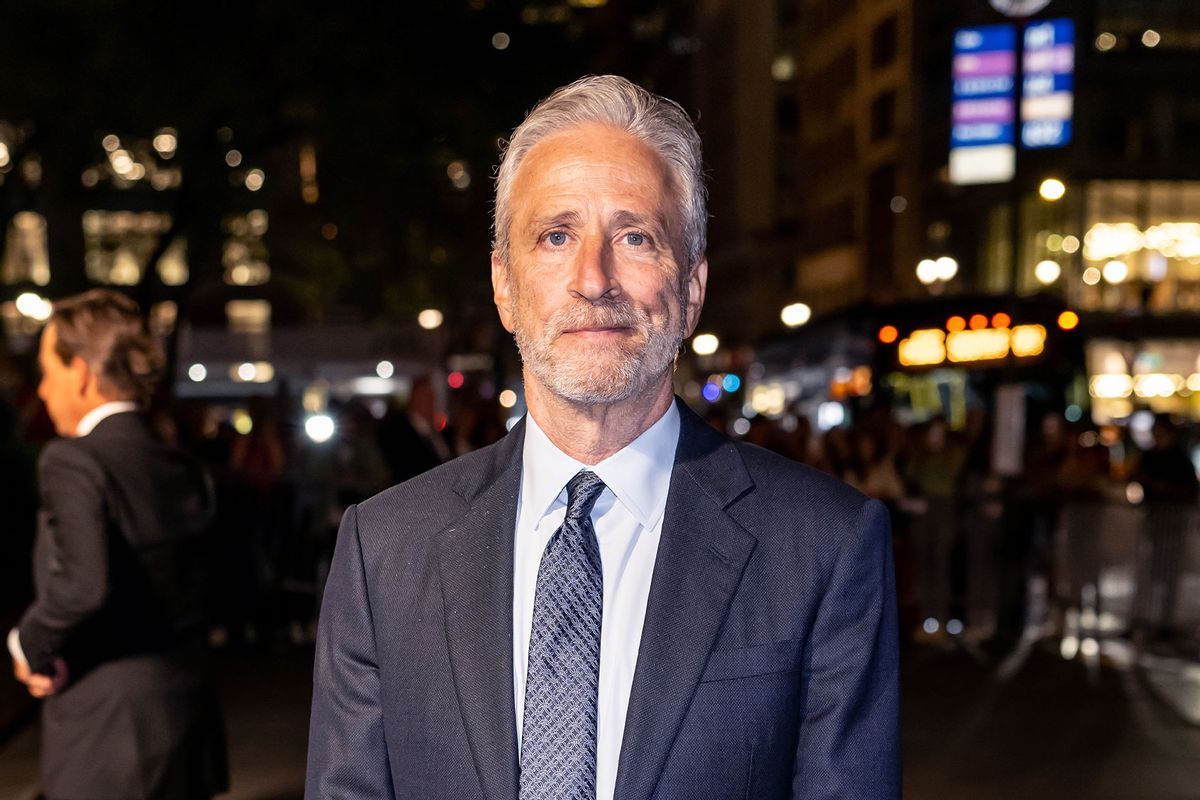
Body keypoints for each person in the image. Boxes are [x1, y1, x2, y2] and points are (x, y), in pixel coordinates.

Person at [307, 75, 899, 800]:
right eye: (556, 236)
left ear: (690, 291)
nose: (594, 278)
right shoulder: (383, 551)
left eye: (635, 237)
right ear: (504, 284)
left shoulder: (823, 546)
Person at [8, 289, 227, 800]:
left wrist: (29, 643)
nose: (41, 391)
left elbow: (82, 584)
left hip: (106, 724)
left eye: (47, 371)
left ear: (80, 372)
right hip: (187, 711)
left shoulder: (72, 461)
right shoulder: (182, 464)